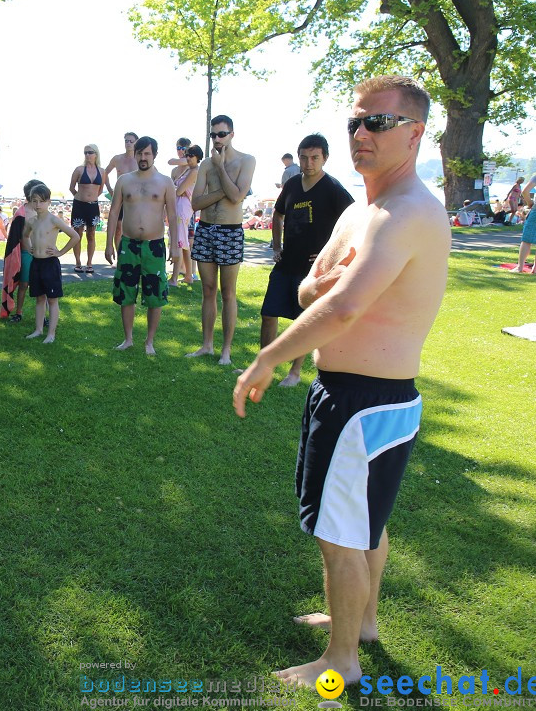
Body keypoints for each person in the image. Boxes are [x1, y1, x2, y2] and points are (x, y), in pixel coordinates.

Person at [233, 75, 451, 688]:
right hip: (365, 398)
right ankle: (363, 623)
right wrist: (331, 286)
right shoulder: (362, 211)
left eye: (377, 123)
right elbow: (309, 288)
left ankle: (341, 661)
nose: (360, 134)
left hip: (365, 402)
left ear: (414, 133)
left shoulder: (406, 213)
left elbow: (344, 309)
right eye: (354, 122)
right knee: (365, 525)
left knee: (339, 535)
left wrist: (268, 358)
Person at [260, 133, 354, 387]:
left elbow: (354, 223)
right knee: (269, 313)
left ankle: (294, 373)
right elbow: (277, 215)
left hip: (314, 269)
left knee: (304, 320)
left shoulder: (333, 189)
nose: (308, 163)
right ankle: (263, 366)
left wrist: (332, 254)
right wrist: (277, 245)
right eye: (304, 157)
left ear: (325, 158)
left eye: (314, 158)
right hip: (286, 262)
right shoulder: (291, 185)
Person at [188, 115, 257, 365]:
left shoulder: (246, 161)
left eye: (221, 134)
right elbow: (196, 203)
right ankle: (207, 345)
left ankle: (225, 351)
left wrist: (220, 168)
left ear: (232, 134)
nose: (217, 139)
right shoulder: (205, 164)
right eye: (213, 135)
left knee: (228, 293)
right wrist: (221, 192)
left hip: (230, 231)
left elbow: (238, 196)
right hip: (206, 229)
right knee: (207, 290)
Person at [104, 136, 178, 356]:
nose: (143, 157)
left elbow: (172, 216)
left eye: (147, 153)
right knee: (126, 292)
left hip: (154, 245)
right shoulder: (124, 181)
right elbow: (114, 212)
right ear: (135, 154)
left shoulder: (165, 182)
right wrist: (109, 244)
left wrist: (174, 245)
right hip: (128, 244)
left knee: (155, 295)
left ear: (155, 155)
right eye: (140, 153)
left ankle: (149, 341)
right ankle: (128, 339)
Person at [22, 183, 79, 343]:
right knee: (39, 298)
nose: (38, 204)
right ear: (31, 202)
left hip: (50, 264)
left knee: (52, 299)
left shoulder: (54, 220)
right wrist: (30, 248)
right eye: (35, 201)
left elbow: (75, 236)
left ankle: (51, 334)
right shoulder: (31, 221)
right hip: (36, 263)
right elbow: (25, 236)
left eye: (41, 201)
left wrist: (60, 252)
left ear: (48, 202)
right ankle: (39, 329)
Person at [0, 179, 44, 323]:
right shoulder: (21, 213)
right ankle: (18, 312)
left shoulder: (41, 210)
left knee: (42, 286)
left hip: (41, 254)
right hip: (26, 254)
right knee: (24, 284)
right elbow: (17, 237)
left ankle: (43, 316)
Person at [171, 142, 203, 288]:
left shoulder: (195, 171)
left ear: (198, 157)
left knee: (180, 242)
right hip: (180, 205)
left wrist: (175, 188)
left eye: (191, 155)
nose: (188, 157)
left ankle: (175, 276)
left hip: (184, 207)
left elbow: (178, 190)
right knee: (183, 243)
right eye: (187, 155)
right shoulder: (188, 170)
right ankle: (188, 275)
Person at [68, 144, 104, 274]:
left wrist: (92, 198)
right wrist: (79, 197)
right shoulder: (79, 170)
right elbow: (71, 187)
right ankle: (78, 262)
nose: (87, 155)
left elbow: (100, 189)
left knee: (91, 234)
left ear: (96, 154)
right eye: (85, 153)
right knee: (77, 235)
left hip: (93, 206)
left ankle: (89, 262)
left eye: (90, 152)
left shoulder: (102, 171)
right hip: (79, 205)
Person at [104, 132, 139, 249]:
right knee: (118, 228)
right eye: (126, 141)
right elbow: (104, 173)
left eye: (131, 141)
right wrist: (109, 189)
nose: (128, 143)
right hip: (120, 197)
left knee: (134, 228)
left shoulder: (140, 159)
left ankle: (133, 256)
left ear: (136, 143)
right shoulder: (117, 159)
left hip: (135, 199)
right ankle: (120, 258)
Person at [514, 170, 536, 272]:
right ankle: (535, 268)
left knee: (527, 239)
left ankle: (520, 267)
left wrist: (529, 203)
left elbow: (525, 191)